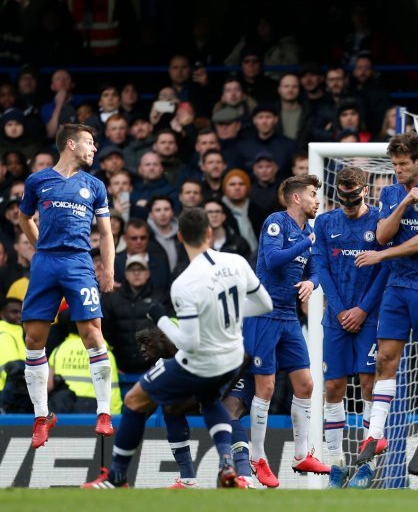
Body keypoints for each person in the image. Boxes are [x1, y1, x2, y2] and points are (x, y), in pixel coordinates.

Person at [82, 208, 273, 488]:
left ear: (180, 236)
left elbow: (188, 343)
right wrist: (225, 315)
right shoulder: (237, 262)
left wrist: (159, 317)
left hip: (202, 361)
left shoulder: (185, 283)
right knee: (209, 400)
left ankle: (116, 477)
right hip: (232, 358)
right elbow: (264, 305)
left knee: (135, 401)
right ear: (209, 232)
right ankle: (226, 464)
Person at [352, 133, 418, 476]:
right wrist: (405, 202)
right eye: (394, 164)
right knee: (384, 359)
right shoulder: (392, 192)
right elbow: (381, 234)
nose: (397, 170)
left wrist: (381, 256)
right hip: (397, 288)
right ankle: (375, 435)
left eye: (403, 164)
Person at [18, 123, 116, 448]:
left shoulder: (95, 185)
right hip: (46, 262)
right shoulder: (37, 181)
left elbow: (106, 233)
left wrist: (108, 271)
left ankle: (104, 413)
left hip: (78, 262)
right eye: (90, 142)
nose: (94, 148)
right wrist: (40, 248)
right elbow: (24, 218)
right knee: (33, 338)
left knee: (92, 333)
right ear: (71, 144)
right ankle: (41, 417)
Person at [238, 174, 329, 487]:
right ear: (296, 198)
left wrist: (311, 282)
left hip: (289, 315)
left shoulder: (310, 231)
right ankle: (257, 456)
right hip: (263, 313)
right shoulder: (276, 223)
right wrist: (307, 242)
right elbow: (273, 260)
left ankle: (301, 453)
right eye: (313, 195)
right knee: (265, 388)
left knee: (305, 384)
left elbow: (316, 268)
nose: (317, 200)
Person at [312, 166, 389, 488]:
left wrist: (361, 309)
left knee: (369, 384)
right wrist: (343, 310)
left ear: (363, 191)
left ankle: (368, 463)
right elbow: (320, 268)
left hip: (369, 318)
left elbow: (385, 268)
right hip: (336, 319)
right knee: (333, 387)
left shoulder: (380, 223)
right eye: (342, 195)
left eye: (352, 195)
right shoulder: (326, 222)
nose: (348, 201)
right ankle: (335, 463)